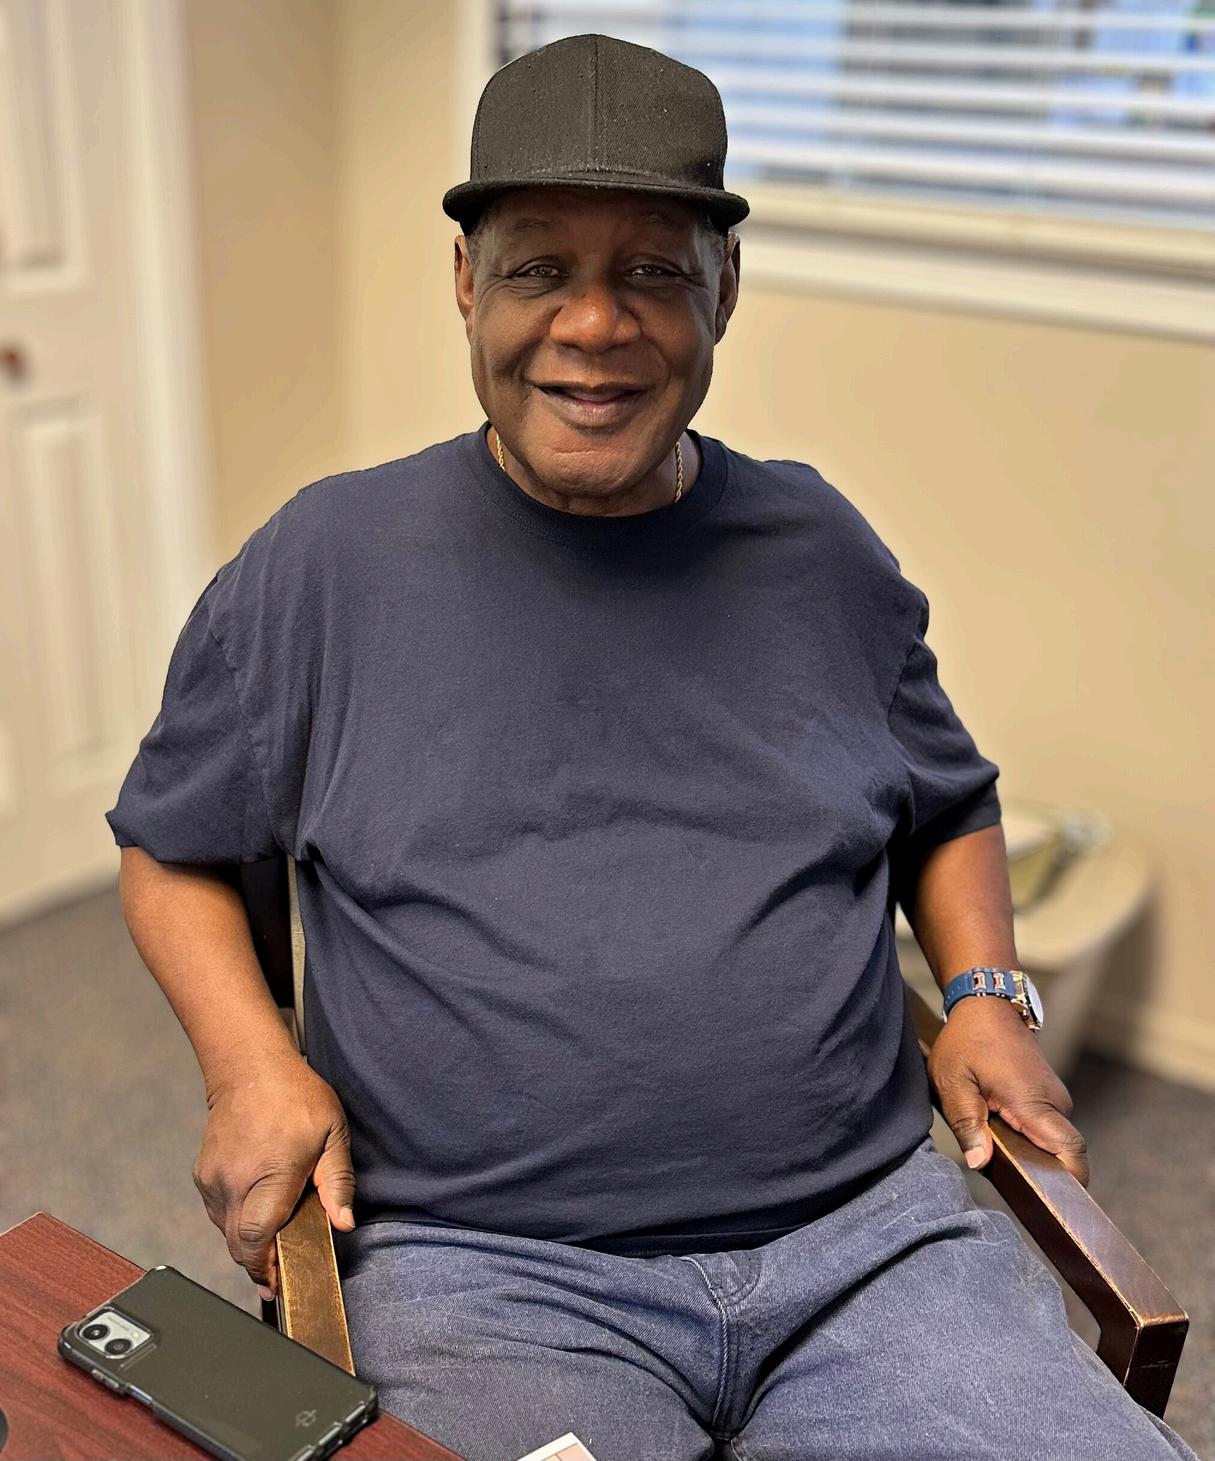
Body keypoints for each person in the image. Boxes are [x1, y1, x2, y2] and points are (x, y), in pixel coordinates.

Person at [107, 33, 1197, 1461]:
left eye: (651, 272)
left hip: (874, 1248)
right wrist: (249, 1065)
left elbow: (948, 801)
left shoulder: (819, 550)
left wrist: (988, 991)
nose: (594, 325)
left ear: (724, 287)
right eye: (540, 269)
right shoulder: (324, 565)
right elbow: (174, 847)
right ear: (465, 282)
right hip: (483, 1271)